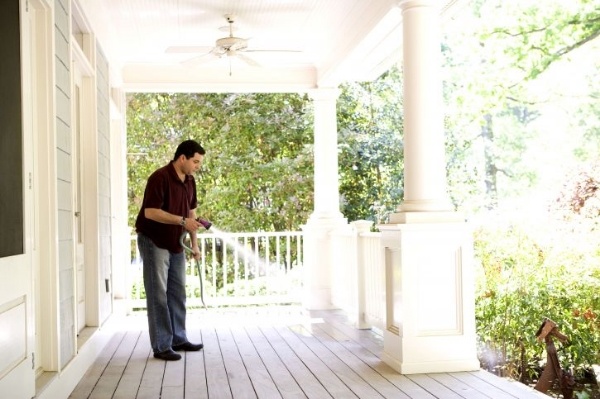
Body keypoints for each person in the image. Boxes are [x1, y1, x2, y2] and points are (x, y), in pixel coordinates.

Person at [135, 139, 206, 361]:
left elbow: (192, 215)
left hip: (177, 242)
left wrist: (194, 244)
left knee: (177, 292)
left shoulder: (190, 181)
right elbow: (151, 212)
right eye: (195, 161)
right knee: (158, 294)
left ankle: (178, 338)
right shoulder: (160, 177)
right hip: (154, 240)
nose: (197, 166)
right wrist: (182, 221)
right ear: (182, 158)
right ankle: (162, 345)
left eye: (199, 162)